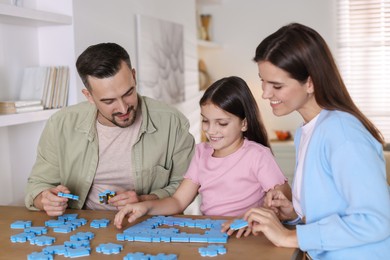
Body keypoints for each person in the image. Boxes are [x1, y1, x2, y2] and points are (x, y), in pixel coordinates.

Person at [223, 23, 390, 259]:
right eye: (263, 80)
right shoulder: (308, 131)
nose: (265, 93)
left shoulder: (343, 135)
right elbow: (331, 210)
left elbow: (376, 221)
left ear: (310, 83)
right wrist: (292, 213)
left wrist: (289, 237)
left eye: (277, 85)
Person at [25, 43, 195, 216]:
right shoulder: (61, 124)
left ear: (134, 77)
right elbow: (38, 185)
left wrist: (145, 199)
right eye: (108, 101)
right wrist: (45, 200)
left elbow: (186, 186)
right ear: (89, 96)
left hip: (149, 224)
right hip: (82, 228)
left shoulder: (173, 122)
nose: (123, 108)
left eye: (128, 93)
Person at [114, 76, 292, 228]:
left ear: (243, 123)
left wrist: (252, 217)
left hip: (251, 235)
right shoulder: (201, 153)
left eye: (222, 123)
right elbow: (178, 202)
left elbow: (283, 201)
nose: (211, 130)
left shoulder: (258, 155)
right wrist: (146, 207)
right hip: (214, 234)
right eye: (206, 121)